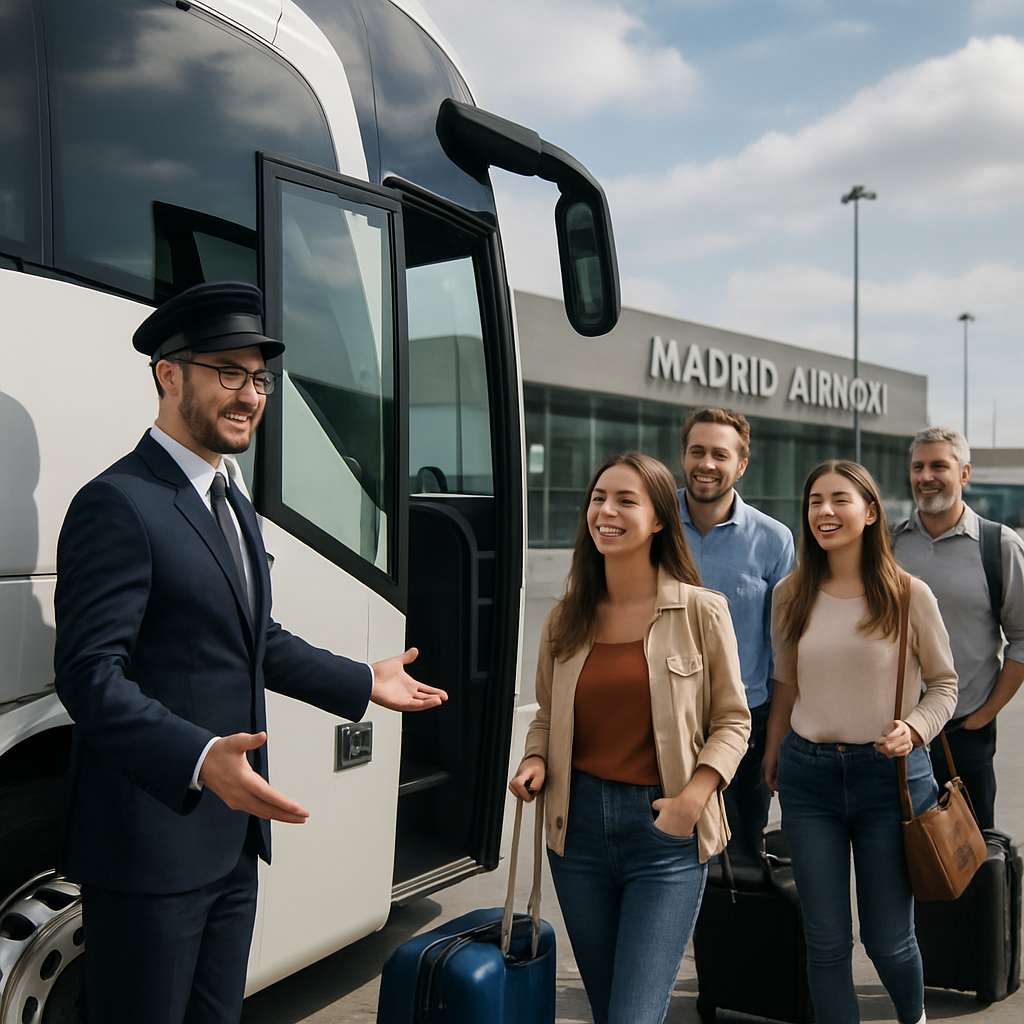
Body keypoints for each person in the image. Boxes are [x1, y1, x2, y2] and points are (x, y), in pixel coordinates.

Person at [53, 281, 448, 1024]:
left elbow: (251, 637)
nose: (250, 394)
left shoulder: (231, 498)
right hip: (150, 848)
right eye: (227, 372)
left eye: (260, 377)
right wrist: (201, 758)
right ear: (170, 375)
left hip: (231, 845)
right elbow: (87, 674)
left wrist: (363, 680)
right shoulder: (119, 502)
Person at [509, 451, 750, 1024]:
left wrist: (692, 801)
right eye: (598, 498)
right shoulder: (565, 616)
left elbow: (733, 721)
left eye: (625, 500)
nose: (606, 511)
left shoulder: (701, 611)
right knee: (607, 1009)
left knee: (633, 1016)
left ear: (660, 519)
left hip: (664, 833)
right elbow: (546, 713)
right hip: (577, 833)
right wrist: (534, 759)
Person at [763, 460, 957, 1024]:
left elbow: (945, 685)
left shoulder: (907, 594)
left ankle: (912, 1018)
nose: (824, 511)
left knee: (889, 940)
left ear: (870, 512)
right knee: (825, 942)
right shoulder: (790, 593)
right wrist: (774, 748)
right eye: (815, 501)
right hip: (809, 776)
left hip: (890, 783)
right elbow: (787, 682)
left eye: (839, 499)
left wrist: (915, 727)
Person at [892, 426, 1024, 829]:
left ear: (964, 474)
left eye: (938, 466)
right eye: (918, 467)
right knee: (900, 856)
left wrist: (985, 715)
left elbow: (1021, 638)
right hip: (895, 733)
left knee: (969, 862)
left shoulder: (998, 546)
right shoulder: (888, 543)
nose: (925, 476)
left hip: (963, 733)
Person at [677, 407, 793, 865]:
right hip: (664, 715)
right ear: (684, 456)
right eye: (697, 451)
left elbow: (786, 649)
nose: (706, 463)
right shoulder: (652, 523)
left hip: (745, 721)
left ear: (741, 465)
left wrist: (777, 738)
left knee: (741, 855)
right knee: (668, 848)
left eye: (719, 454)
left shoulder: (774, 539)